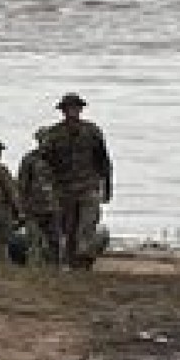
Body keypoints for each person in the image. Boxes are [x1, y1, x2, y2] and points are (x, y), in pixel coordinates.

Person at [38, 93, 112, 269]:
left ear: (80, 109)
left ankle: (84, 258)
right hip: (64, 189)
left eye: (75, 108)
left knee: (87, 226)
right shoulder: (54, 134)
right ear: (63, 111)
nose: (72, 112)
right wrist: (48, 187)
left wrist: (107, 186)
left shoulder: (93, 131)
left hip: (88, 187)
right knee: (69, 229)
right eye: (68, 108)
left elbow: (103, 160)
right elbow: (44, 162)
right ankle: (74, 264)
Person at [16, 126, 59, 266]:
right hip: (33, 207)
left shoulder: (59, 159)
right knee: (34, 241)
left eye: (48, 139)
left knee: (54, 241)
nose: (46, 142)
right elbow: (21, 185)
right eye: (43, 139)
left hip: (54, 206)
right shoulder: (29, 159)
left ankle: (54, 268)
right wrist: (21, 209)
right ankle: (34, 269)